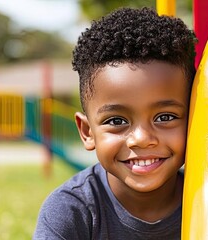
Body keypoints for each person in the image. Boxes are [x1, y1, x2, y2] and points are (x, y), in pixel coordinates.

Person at [34, 7, 196, 239]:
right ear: (88, 132)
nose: (141, 138)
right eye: (117, 120)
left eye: (165, 117)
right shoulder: (70, 212)